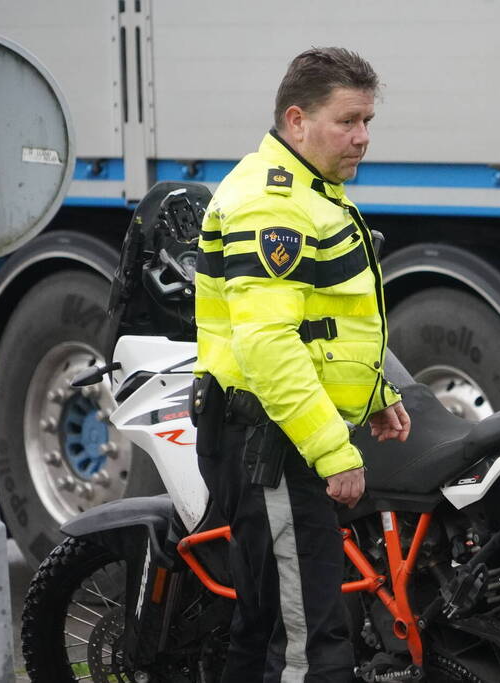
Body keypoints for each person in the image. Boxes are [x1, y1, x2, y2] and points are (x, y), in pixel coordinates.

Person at [191, 47, 411, 682]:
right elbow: (270, 345)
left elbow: (325, 322)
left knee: (267, 629)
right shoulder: (273, 204)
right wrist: (332, 451)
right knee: (309, 647)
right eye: (348, 121)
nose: (363, 138)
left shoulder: (312, 190)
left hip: (275, 439)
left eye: (368, 121)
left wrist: (373, 393)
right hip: (271, 444)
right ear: (296, 120)